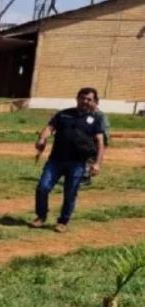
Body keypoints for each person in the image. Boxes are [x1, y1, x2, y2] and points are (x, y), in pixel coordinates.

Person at [32, 87, 106, 233]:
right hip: (56, 160)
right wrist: (42, 138)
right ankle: (41, 216)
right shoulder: (64, 114)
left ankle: (63, 221)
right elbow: (50, 127)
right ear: (77, 98)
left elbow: (100, 142)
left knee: (70, 192)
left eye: (89, 99)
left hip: (77, 163)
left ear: (93, 102)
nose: (85, 101)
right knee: (43, 188)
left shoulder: (96, 119)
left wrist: (97, 163)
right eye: (82, 98)